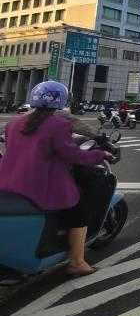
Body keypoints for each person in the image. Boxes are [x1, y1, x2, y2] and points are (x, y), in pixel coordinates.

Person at [0, 81, 112, 276]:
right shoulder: (59, 124)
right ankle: (77, 262)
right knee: (80, 211)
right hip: (42, 186)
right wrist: (101, 154)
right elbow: (73, 156)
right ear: (61, 101)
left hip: (10, 183)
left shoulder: (14, 123)